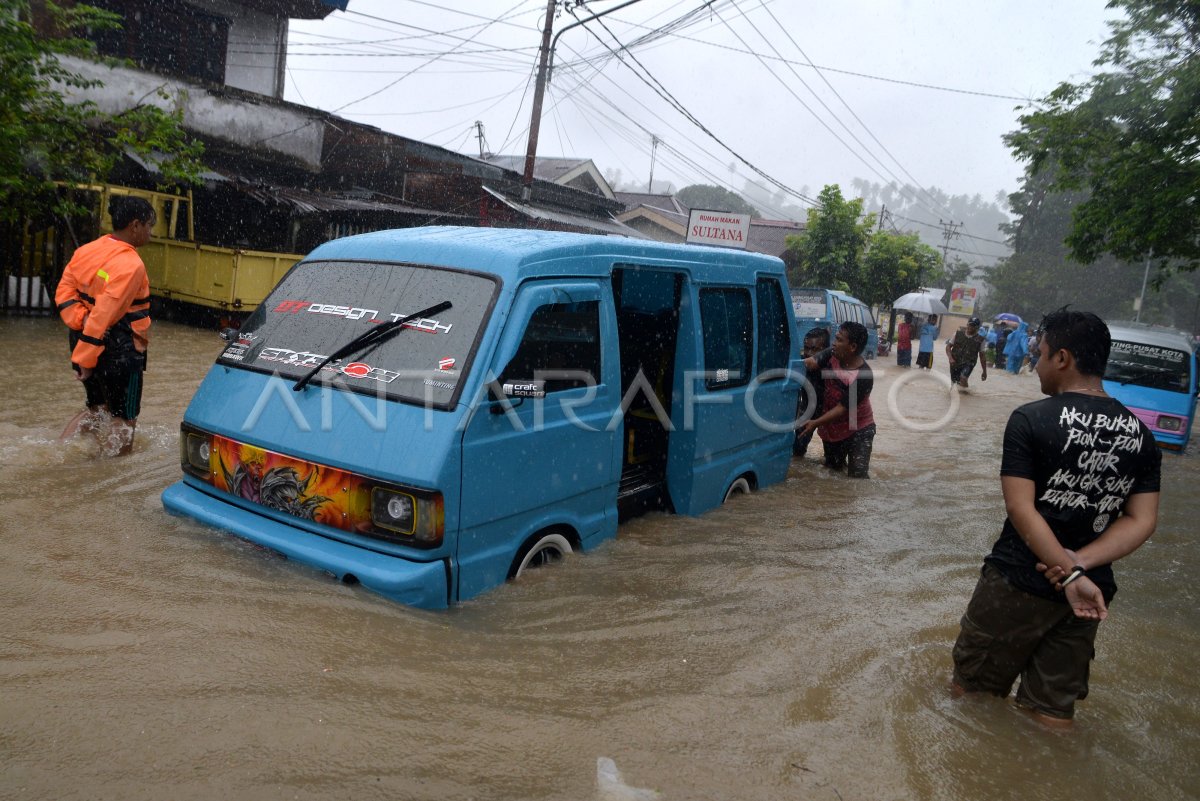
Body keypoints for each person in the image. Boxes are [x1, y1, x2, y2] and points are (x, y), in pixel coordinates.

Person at [951, 309, 1161, 726]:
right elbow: (1141, 520)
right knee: (1050, 715)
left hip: (1018, 582)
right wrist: (1079, 568)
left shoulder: (1031, 419)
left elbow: (1020, 507)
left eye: (1041, 354)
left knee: (970, 698)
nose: (1038, 364)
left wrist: (1066, 573)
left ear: (1062, 358)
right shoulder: (1142, 436)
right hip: (1088, 596)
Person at [55, 196, 156, 456]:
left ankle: (59, 453)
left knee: (97, 408)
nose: (151, 233)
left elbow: (64, 291)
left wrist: (80, 319)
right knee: (125, 418)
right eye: (149, 226)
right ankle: (112, 480)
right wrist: (87, 360)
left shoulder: (87, 250)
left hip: (81, 338)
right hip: (118, 348)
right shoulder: (131, 264)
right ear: (135, 225)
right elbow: (105, 314)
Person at [799, 321, 876, 478]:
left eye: (839, 340)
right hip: (834, 429)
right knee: (833, 474)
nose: (834, 343)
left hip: (859, 429)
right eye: (835, 338)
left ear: (852, 347)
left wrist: (815, 422)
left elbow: (842, 409)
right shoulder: (832, 353)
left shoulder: (863, 375)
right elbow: (811, 363)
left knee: (857, 478)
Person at [794, 326, 830, 458]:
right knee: (796, 453)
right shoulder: (800, 363)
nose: (808, 353)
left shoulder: (833, 367)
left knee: (833, 464)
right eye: (806, 348)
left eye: (814, 349)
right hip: (807, 412)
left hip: (830, 415)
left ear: (825, 350)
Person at [945, 316, 989, 389]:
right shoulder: (957, 334)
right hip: (955, 361)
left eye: (973, 325)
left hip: (969, 363)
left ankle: (965, 394)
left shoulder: (981, 340)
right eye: (970, 324)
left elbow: (982, 356)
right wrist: (950, 358)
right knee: (954, 384)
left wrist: (984, 371)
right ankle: (963, 396)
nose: (971, 327)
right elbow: (948, 347)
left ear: (977, 328)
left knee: (963, 378)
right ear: (967, 324)